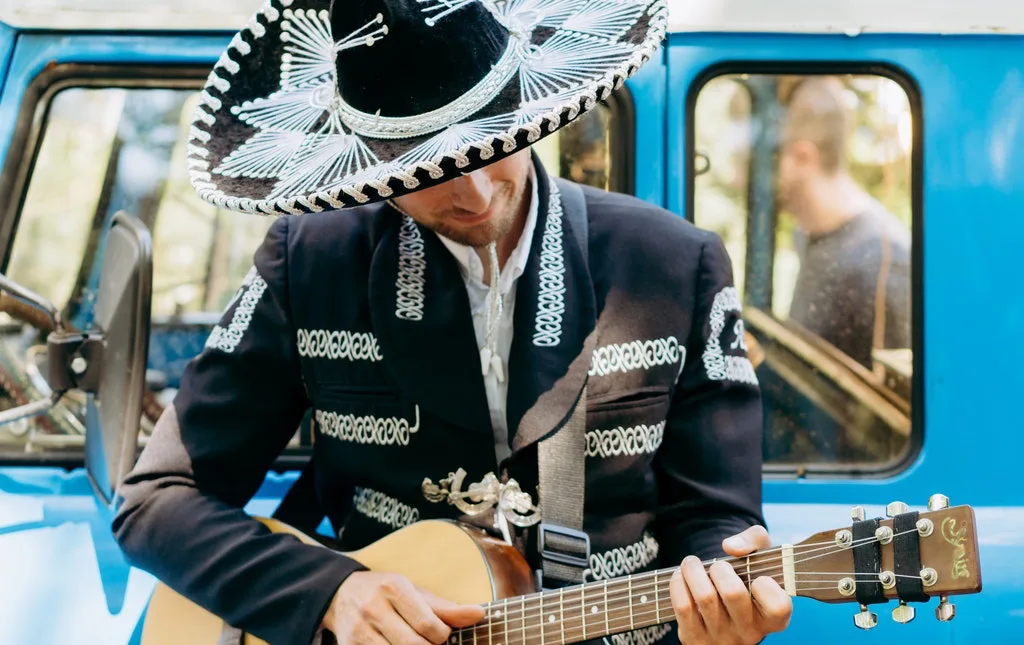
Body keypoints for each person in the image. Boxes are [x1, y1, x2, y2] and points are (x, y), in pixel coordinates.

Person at [112, 1, 793, 644]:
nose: (472, 191)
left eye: (490, 141)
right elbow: (156, 502)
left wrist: (723, 598)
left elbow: (718, 520)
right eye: (423, 165)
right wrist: (329, 592)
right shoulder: (308, 261)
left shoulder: (676, 262)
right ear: (369, 158)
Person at [778, 76, 912, 370]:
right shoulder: (809, 236)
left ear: (802, 157)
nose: (740, 177)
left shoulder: (882, 264)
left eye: (768, 159)